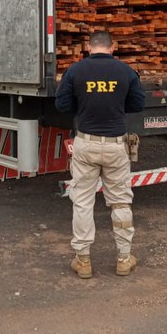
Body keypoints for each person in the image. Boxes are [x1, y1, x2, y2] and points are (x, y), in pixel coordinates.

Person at [55, 30, 146, 279]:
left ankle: (83, 261)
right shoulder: (126, 72)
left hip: (86, 143)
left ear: (88, 46)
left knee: (83, 201)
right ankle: (124, 259)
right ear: (112, 47)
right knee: (120, 201)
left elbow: (61, 105)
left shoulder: (75, 71)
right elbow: (138, 104)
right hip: (117, 145)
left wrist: (82, 104)